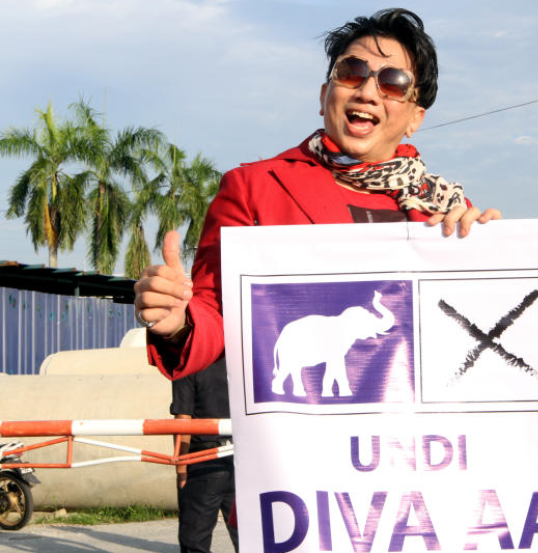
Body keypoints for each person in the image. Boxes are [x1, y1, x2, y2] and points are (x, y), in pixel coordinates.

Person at [133, 8, 501, 379]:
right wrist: (177, 322)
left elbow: (474, 330)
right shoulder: (253, 190)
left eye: (393, 82)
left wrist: (494, 255)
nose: (367, 92)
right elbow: (216, 315)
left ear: (415, 118)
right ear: (325, 95)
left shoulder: (446, 211)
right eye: (351, 72)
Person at [171, 361, 237, 553]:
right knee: (249, 539)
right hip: (240, 457)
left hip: (203, 460)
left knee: (195, 540)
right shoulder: (240, 361)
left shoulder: (186, 365)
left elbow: (183, 422)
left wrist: (181, 468)